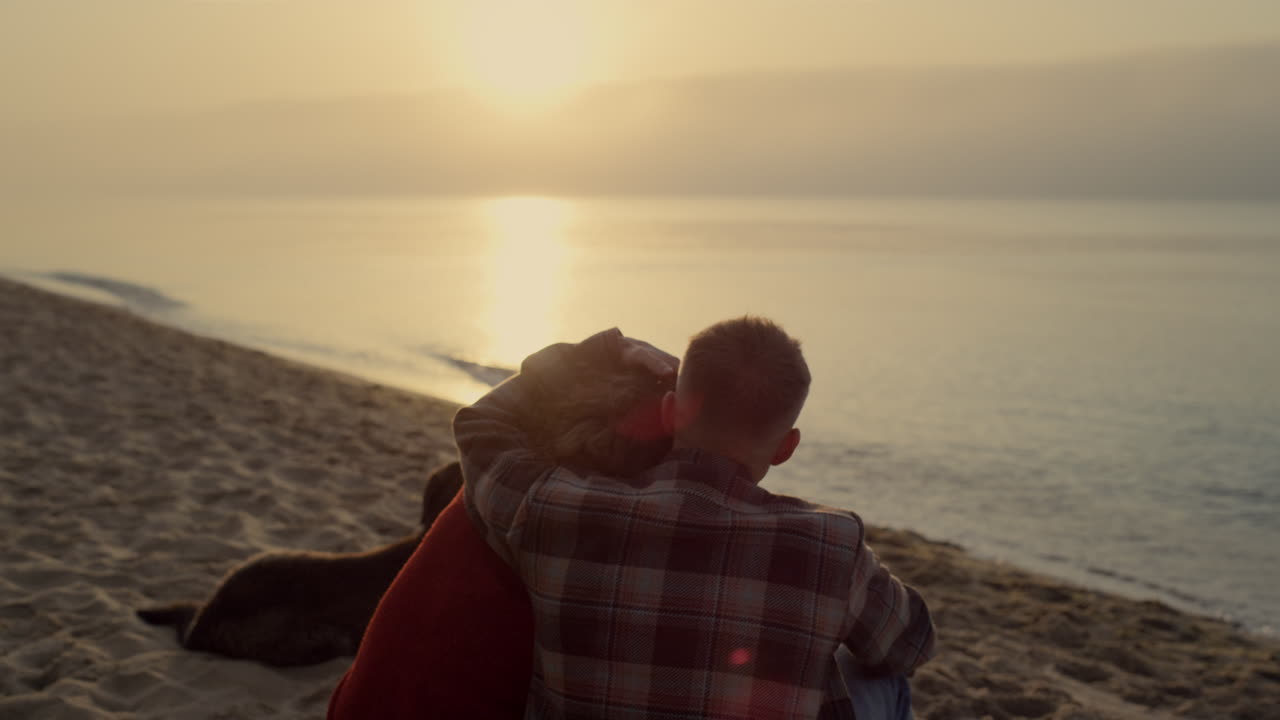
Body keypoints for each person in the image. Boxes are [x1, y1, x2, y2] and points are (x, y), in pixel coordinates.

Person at [457, 317, 936, 719]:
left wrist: (606, 350)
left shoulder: (556, 507)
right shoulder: (831, 543)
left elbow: (482, 422)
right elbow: (910, 646)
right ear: (787, 447)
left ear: (670, 412)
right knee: (879, 677)